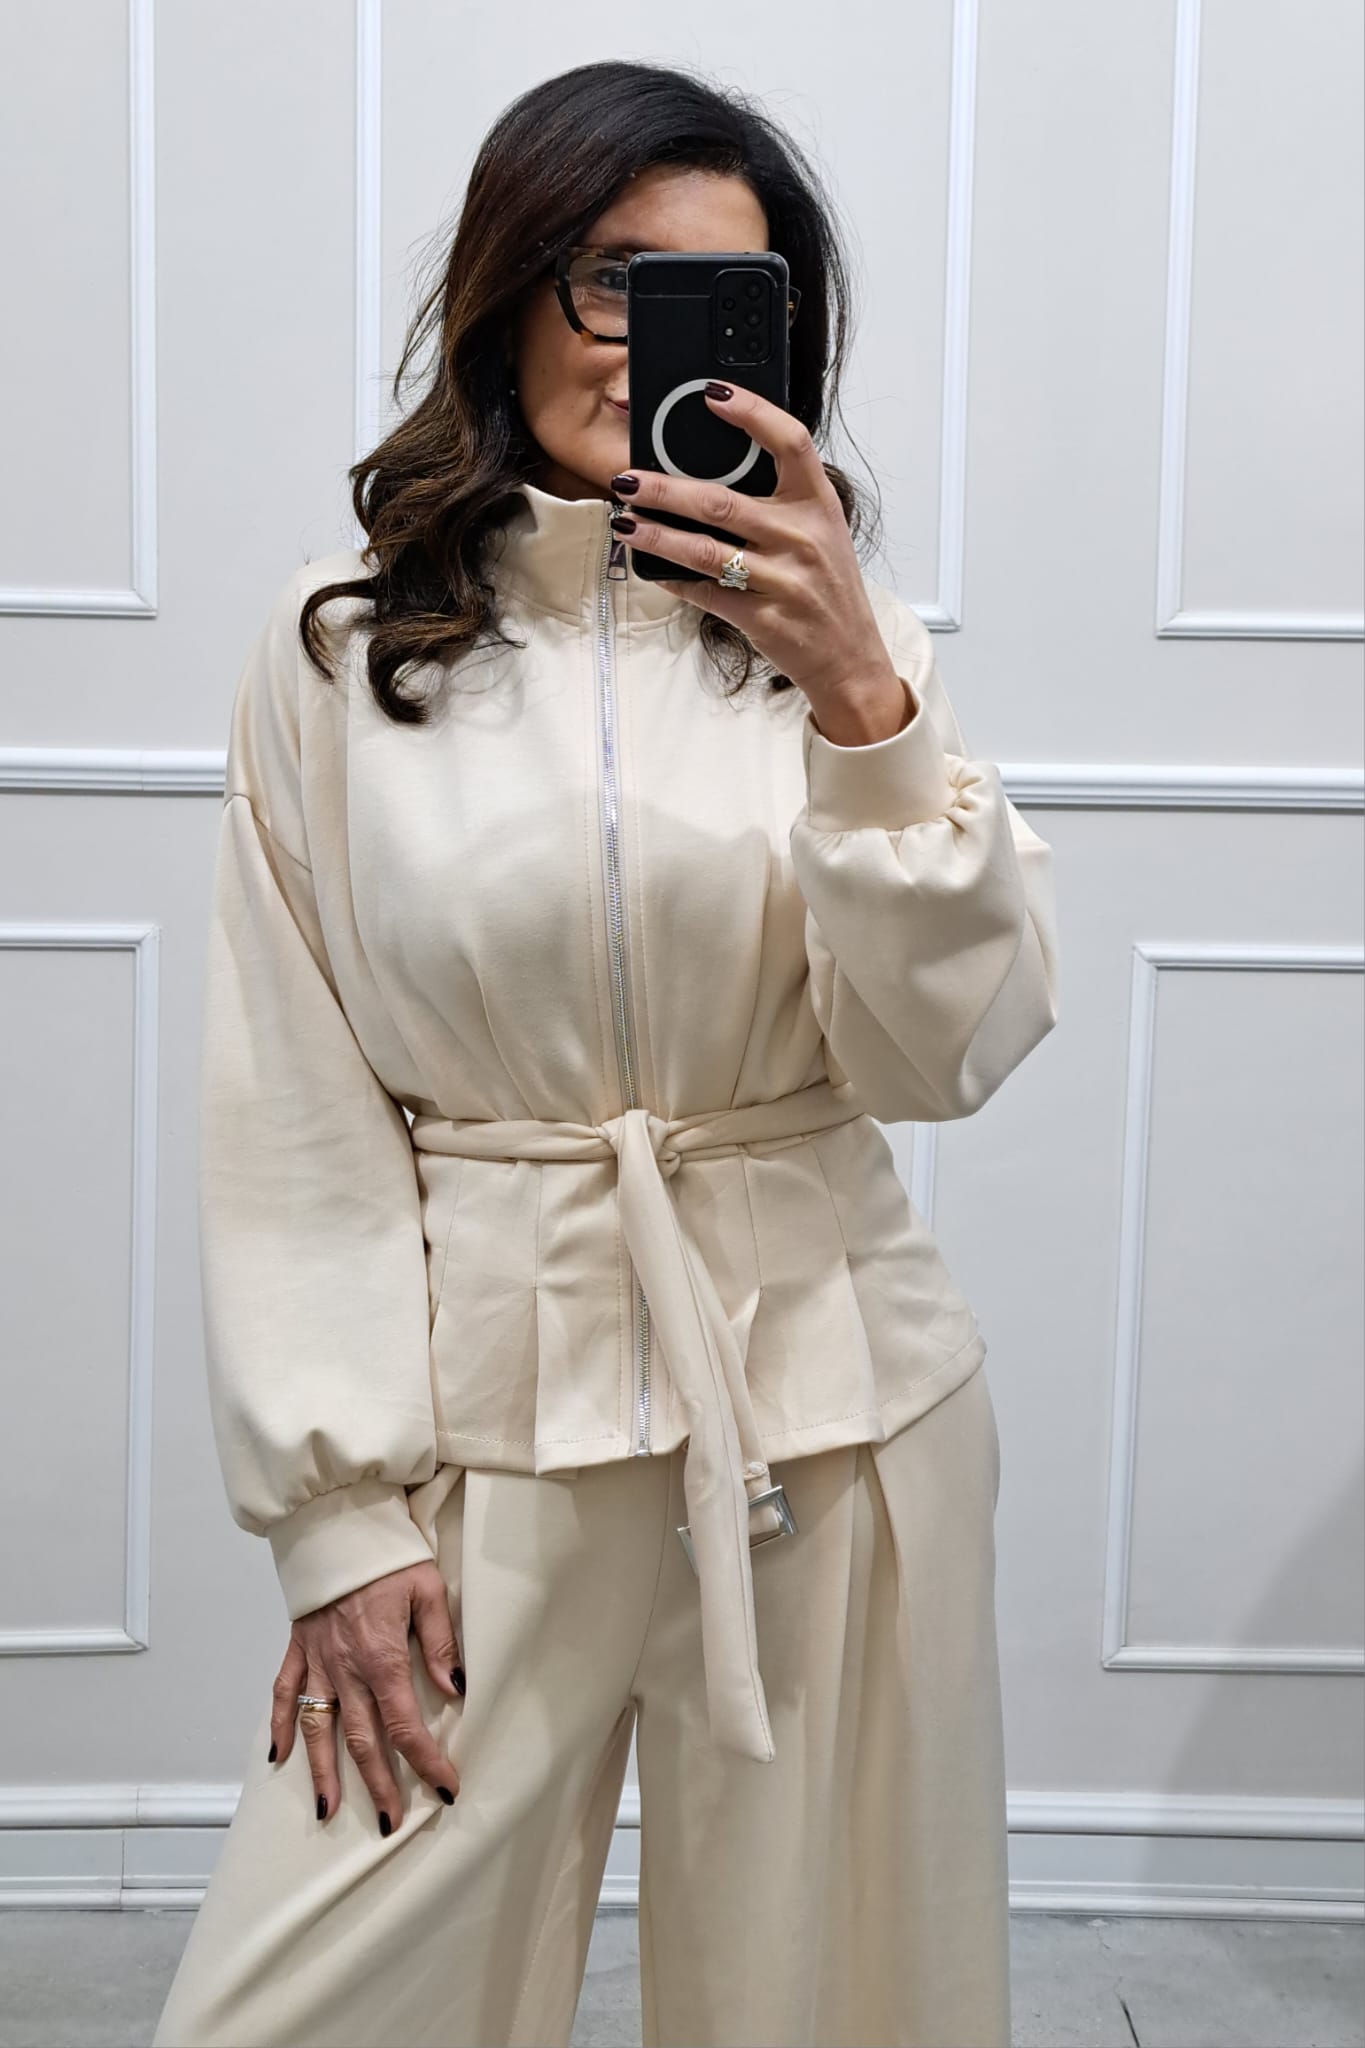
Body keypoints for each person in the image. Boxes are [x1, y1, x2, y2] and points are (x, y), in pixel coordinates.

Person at [152, 55, 1059, 2048]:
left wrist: (863, 703)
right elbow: (288, 1101)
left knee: (836, 2009)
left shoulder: (836, 638)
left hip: (833, 1417)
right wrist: (336, 1514)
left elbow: (946, 1054)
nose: (652, 339)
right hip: (486, 1431)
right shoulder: (338, 651)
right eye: (609, 279)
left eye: (716, 298)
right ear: (507, 289)